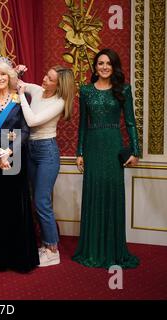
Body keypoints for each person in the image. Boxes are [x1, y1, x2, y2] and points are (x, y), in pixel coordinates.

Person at [73, 48, 140, 268]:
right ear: (95, 66)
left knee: (112, 194)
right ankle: (92, 249)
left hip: (113, 145)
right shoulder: (85, 91)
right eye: (100, 63)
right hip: (92, 146)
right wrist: (80, 152)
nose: (104, 67)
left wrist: (135, 151)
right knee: (93, 194)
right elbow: (83, 125)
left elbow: (130, 122)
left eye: (108, 63)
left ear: (114, 67)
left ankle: (113, 249)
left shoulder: (124, 89)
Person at [0, 55, 39, 273]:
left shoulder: (18, 99)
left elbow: (25, 130)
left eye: (3, 74)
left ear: (10, 76)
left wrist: (9, 152)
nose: (0, 78)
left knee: (15, 205)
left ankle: (18, 257)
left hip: (15, 159)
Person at [16, 66, 75, 267]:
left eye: (49, 79)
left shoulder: (59, 102)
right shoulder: (38, 90)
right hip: (31, 149)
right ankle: (45, 244)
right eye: (45, 75)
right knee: (36, 199)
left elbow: (32, 121)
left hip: (47, 152)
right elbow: (20, 84)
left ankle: (53, 250)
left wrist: (21, 95)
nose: (43, 79)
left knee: (42, 201)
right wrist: (17, 72)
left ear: (59, 85)